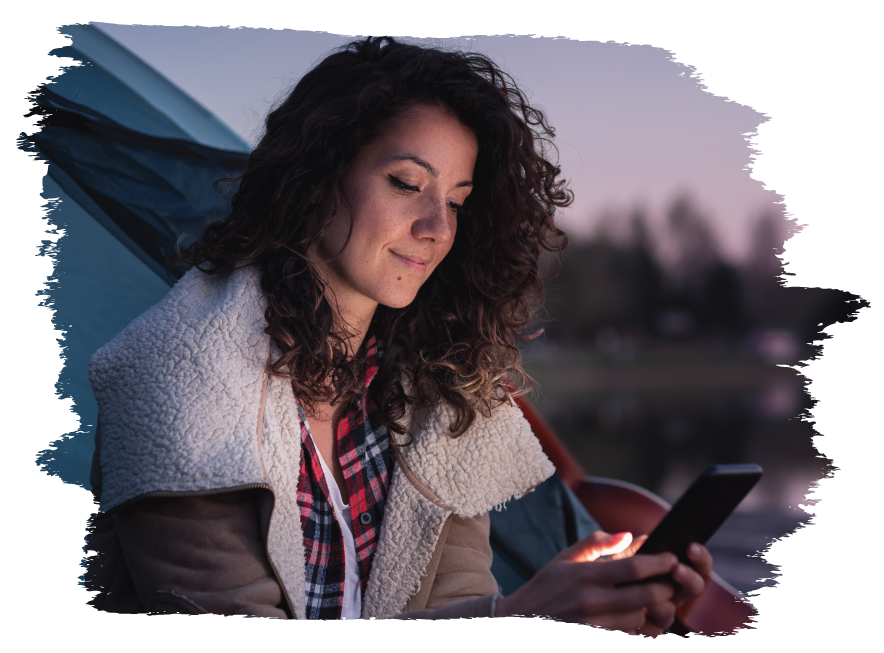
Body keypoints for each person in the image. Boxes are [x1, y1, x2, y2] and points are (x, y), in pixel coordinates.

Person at [84, 36, 712, 629]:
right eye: (407, 184)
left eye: (458, 202)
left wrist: (600, 611)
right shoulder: (177, 376)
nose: (437, 225)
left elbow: (458, 602)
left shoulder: (435, 395)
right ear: (314, 177)